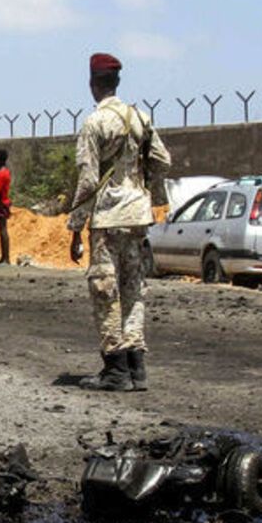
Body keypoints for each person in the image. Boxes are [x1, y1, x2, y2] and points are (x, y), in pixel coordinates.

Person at [69, 52, 171, 392]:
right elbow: (162, 159)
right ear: (117, 82)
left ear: (92, 84)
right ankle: (136, 367)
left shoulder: (94, 123)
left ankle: (115, 368)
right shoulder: (140, 118)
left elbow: (88, 179)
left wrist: (75, 226)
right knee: (133, 290)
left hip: (108, 217)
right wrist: (150, 194)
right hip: (137, 216)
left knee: (105, 290)